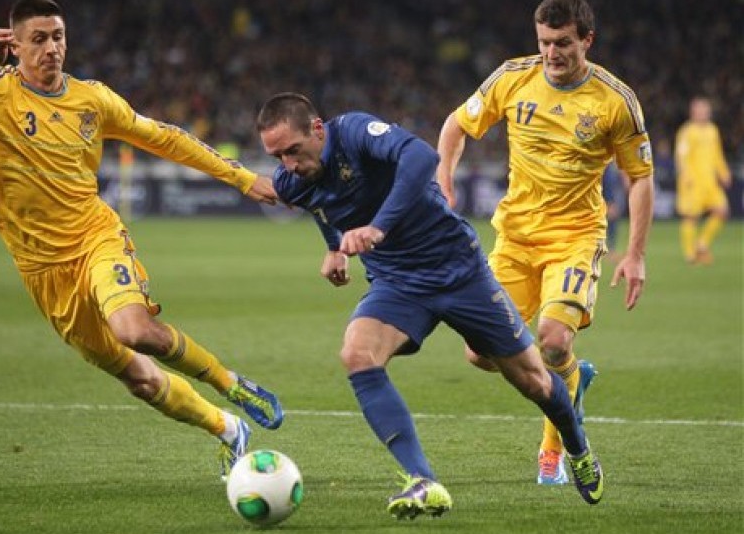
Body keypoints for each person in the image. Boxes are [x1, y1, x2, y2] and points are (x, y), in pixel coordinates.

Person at [0, 0, 284, 480]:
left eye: (58, 36)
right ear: (14, 43)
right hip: (42, 269)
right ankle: (227, 429)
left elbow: (165, 136)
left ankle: (229, 382)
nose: (52, 47)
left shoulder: (92, 99)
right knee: (137, 377)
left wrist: (239, 177)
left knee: (133, 330)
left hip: (96, 237)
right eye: (39, 39)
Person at [256, 92, 604, 519]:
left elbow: (422, 158)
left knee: (535, 382)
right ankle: (423, 480)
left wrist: (378, 227)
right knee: (357, 354)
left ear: (317, 128)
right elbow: (321, 206)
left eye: (293, 150)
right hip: (398, 283)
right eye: (277, 156)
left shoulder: (355, 131)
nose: (288, 164)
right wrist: (335, 249)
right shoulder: (294, 180)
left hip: (460, 270)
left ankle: (577, 446)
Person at [437, 0, 654, 485]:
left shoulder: (615, 101)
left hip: (574, 239)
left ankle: (553, 451)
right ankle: (573, 378)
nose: (552, 54)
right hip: (514, 238)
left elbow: (639, 177)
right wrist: (444, 180)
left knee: (552, 342)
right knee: (479, 353)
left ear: (587, 40)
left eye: (562, 44)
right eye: (544, 42)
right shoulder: (514, 76)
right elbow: (456, 124)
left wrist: (636, 254)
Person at [675, 96, 731, 265]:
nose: (703, 113)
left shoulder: (713, 130)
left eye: (705, 110)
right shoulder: (687, 131)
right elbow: (681, 156)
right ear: (693, 112)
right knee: (691, 217)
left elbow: (718, 154)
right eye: (700, 110)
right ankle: (690, 254)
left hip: (710, 182)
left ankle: (702, 244)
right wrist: (686, 176)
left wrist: (724, 172)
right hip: (693, 182)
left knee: (722, 211)